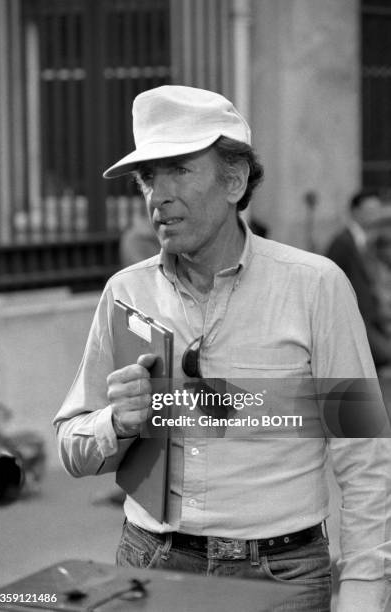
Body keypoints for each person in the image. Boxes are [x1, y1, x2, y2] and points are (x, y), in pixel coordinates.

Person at [54, 86, 390, 611]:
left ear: (234, 180)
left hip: (282, 576)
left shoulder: (315, 286)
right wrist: (116, 422)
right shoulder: (126, 291)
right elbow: (69, 446)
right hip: (150, 562)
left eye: (179, 170)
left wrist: (365, 591)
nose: (156, 196)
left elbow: (364, 455)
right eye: (148, 177)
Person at [326, 191, 391, 368]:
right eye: (368, 210)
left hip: (369, 318)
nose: (374, 215)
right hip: (354, 319)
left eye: (377, 210)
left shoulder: (363, 239)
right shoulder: (342, 241)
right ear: (354, 211)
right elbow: (329, 280)